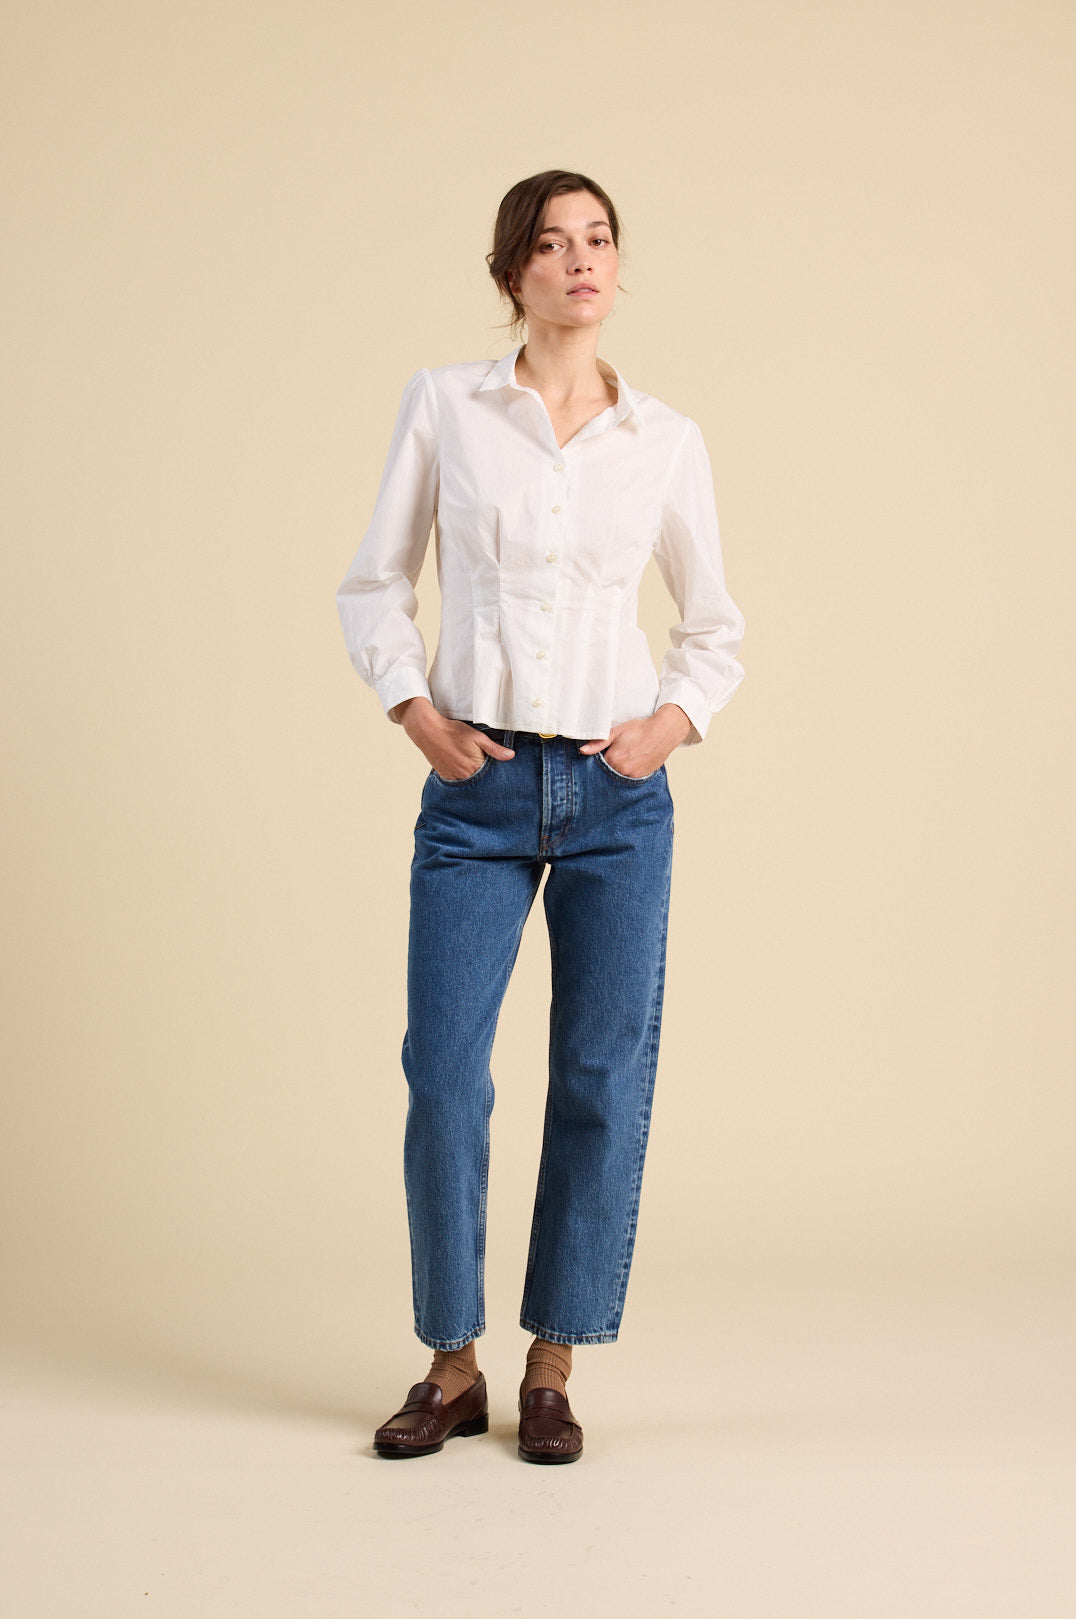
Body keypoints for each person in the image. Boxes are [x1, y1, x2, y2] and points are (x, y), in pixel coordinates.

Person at [334, 170, 745, 1463]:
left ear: (618, 269)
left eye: (600, 240)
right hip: (479, 789)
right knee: (444, 1075)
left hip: (619, 801)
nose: (580, 262)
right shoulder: (448, 408)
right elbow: (372, 586)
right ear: (513, 272)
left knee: (598, 1080)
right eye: (553, 244)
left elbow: (717, 631)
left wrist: (666, 726)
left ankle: (554, 1365)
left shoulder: (665, 439)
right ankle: (450, 1365)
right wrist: (415, 711)